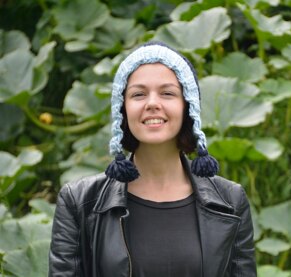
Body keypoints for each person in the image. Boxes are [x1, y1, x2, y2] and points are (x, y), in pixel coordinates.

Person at [48, 42, 256, 277]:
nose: (152, 103)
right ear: (122, 109)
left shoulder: (230, 201)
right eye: (138, 94)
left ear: (188, 107)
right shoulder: (79, 202)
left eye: (167, 93)